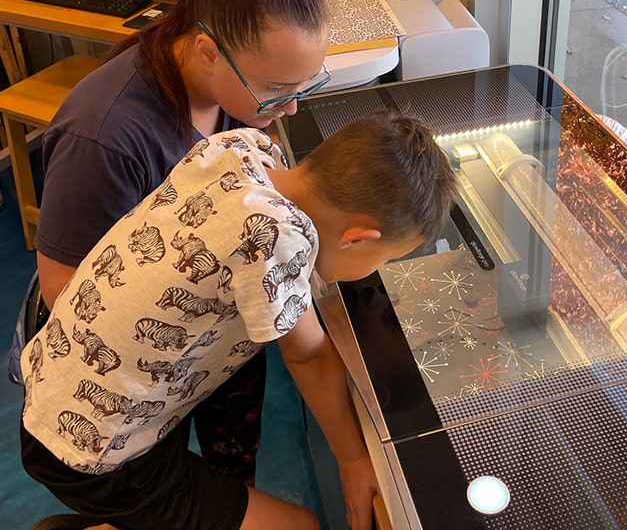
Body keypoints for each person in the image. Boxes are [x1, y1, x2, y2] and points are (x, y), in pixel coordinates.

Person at [20, 112, 456, 530]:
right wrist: (354, 460)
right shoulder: (276, 243)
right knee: (299, 527)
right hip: (94, 452)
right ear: (358, 238)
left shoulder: (241, 147)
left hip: (54, 384)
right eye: (387, 258)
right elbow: (310, 357)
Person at [33, 0, 330, 485]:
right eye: (277, 90)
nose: (289, 110)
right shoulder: (105, 135)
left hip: (211, 322)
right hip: (125, 356)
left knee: (233, 464)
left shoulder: (233, 93)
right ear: (207, 52)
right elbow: (66, 297)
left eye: (304, 87)